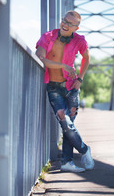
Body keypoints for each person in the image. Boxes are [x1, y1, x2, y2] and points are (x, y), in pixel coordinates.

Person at [35, 10, 94, 173]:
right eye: (64, 21)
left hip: (71, 89)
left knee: (70, 126)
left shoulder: (79, 40)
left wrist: (80, 79)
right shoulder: (48, 36)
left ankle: (67, 162)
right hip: (54, 88)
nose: (65, 24)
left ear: (76, 27)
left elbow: (86, 57)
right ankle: (84, 150)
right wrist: (63, 66)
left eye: (70, 23)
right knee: (66, 123)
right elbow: (40, 57)